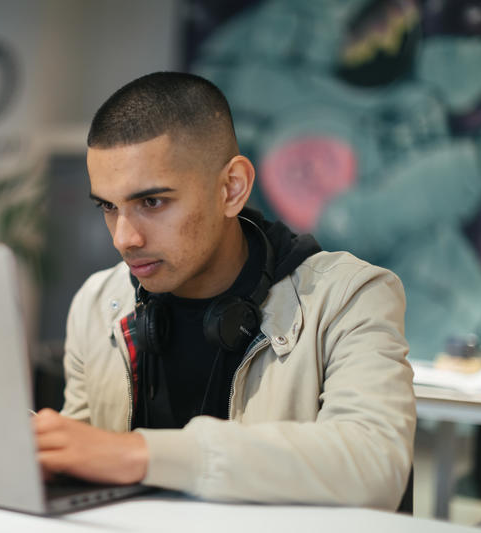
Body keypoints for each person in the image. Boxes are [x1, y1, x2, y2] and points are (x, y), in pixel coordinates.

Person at [34, 72, 415, 510]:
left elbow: (374, 465)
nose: (124, 238)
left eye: (152, 203)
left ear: (231, 188)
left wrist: (141, 454)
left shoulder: (350, 297)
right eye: (108, 206)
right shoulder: (98, 302)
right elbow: (78, 473)